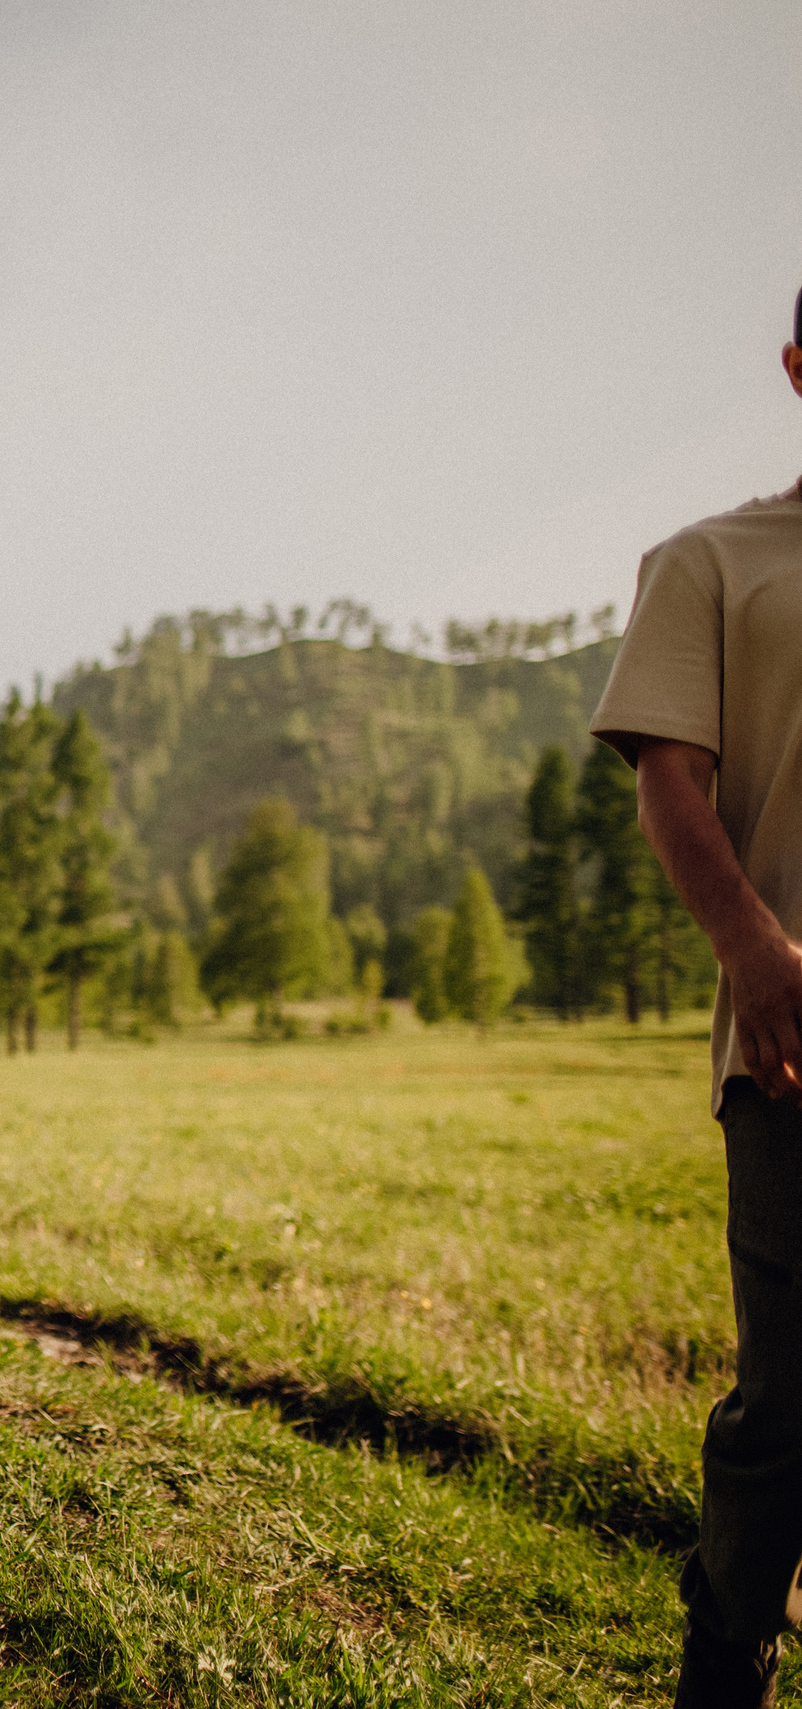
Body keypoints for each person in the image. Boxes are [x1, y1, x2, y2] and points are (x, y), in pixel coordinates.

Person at [588, 290, 802, 1709]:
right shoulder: (714, 564)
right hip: (796, 1054)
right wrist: (758, 954)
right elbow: (674, 785)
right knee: (788, 1411)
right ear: (799, 363)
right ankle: (726, 1664)